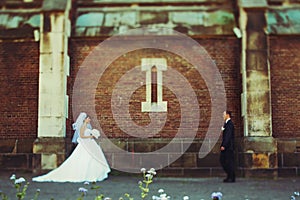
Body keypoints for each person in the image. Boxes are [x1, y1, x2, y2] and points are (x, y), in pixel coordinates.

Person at [32, 112, 111, 182]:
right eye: (88, 118)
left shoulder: (87, 126)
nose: (89, 119)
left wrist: (92, 135)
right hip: (86, 143)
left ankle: (94, 172)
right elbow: (82, 136)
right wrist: (90, 137)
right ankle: (88, 173)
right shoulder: (83, 126)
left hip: (90, 143)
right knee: (86, 158)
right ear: (84, 119)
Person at [220, 110, 235, 183]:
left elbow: (228, 136)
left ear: (228, 115)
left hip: (228, 147)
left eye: (224, 115)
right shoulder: (227, 124)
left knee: (227, 162)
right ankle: (230, 176)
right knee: (226, 161)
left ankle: (231, 177)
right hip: (228, 146)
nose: (223, 116)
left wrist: (224, 145)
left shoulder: (229, 124)